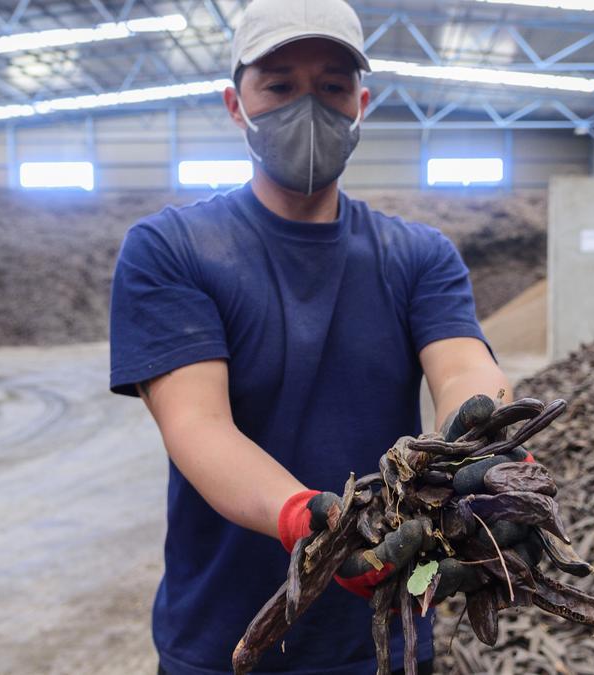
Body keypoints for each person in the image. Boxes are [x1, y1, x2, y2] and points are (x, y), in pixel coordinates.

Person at [108, 0, 513, 672]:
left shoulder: (417, 254)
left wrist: (492, 447)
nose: (308, 106)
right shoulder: (171, 249)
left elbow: (463, 369)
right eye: (279, 85)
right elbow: (197, 424)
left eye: (330, 87)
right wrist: (307, 522)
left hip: (384, 637)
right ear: (237, 104)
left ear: (362, 101)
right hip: (226, 639)